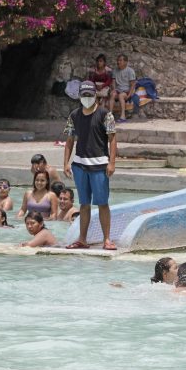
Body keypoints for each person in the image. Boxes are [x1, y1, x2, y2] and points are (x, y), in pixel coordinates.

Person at [64, 81, 118, 250]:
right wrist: (66, 162)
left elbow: (113, 139)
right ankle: (82, 239)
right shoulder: (74, 115)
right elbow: (70, 140)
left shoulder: (105, 115)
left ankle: (107, 239)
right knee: (84, 204)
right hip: (79, 165)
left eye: (89, 95)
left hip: (100, 165)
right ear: (79, 96)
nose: (86, 98)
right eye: (84, 95)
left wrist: (112, 162)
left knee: (102, 203)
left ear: (95, 95)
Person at [110, 54, 141, 122]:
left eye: (121, 60)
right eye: (118, 60)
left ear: (126, 62)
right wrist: (114, 90)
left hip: (127, 91)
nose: (118, 62)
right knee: (112, 94)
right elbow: (113, 82)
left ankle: (123, 116)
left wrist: (129, 95)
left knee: (121, 96)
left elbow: (133, 85)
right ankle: (110, 116)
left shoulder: (130, 71)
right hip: (118, 90)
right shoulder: (115, 70)